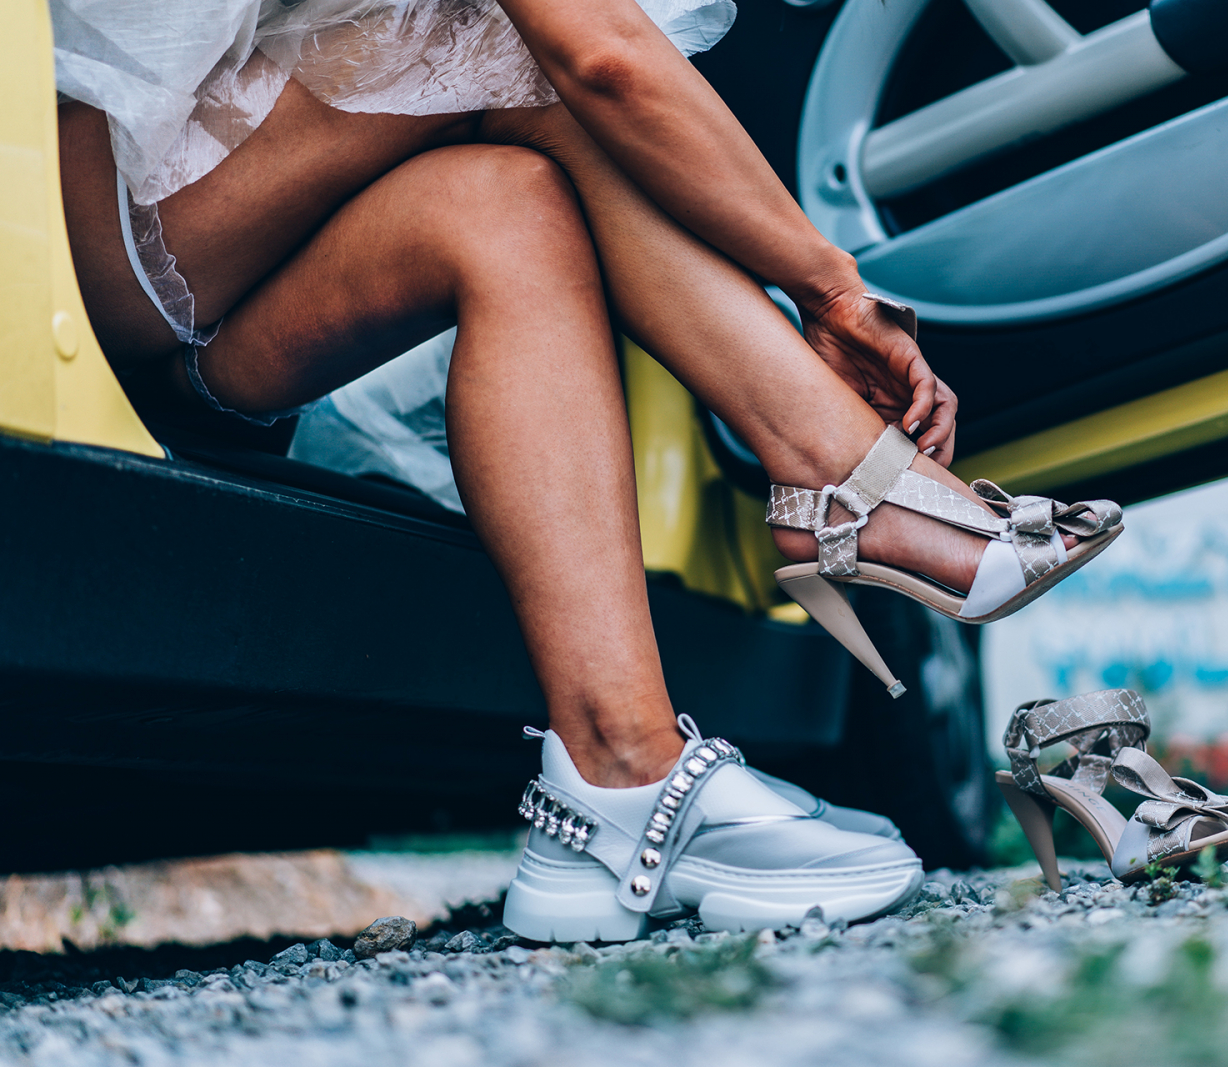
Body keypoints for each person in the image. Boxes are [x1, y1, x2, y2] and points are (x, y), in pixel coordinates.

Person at [54, 0, 1124, 939]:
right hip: (110, 248)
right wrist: (827, 285)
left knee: (506, 208)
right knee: (515, 37)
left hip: (230, 298)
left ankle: (618, 774)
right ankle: (841, 473)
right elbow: (597, 53)